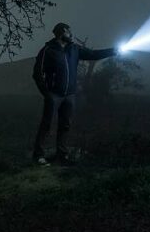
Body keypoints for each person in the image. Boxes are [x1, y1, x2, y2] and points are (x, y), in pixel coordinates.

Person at [31, 22, 117, 165]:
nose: (72, 35)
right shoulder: (47, 50)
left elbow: (93, 54)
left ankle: (62, 155)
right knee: (46, 124)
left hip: (70, 95)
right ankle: (38, 155)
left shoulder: (75, 49)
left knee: (65, 125)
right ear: (61, 33)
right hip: (54, 94)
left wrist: (114, 51)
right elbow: (37, 73)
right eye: (69, 32)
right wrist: (46, 93)